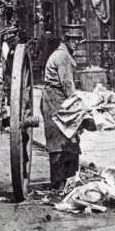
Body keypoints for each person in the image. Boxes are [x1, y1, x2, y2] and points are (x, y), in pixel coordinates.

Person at [42, 23, 84, 189]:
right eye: (72, 40)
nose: (76, 43)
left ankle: (65, 180)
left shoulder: (62, 54)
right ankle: (60, 182)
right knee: (61, 141)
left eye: (78, 40)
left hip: (56, 99)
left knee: (66, 140)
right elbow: (67, 84)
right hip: (56, 101)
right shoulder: (63, 57)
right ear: (65, 39)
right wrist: (78, 105)